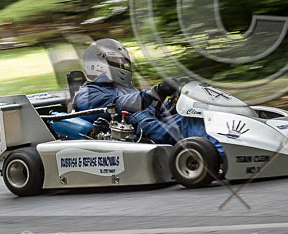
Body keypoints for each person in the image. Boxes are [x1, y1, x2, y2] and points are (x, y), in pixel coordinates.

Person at [73, 38, 224, 157]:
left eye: (123, 63)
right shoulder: (88, 93)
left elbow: (154, 109)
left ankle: (227, 150)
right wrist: (155, 92)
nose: (122, 66)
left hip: (152, 122)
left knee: (199, 115)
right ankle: (224, 155)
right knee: (189, 124)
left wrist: (173, 100)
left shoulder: (124, 89)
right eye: (117, 62)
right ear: (96, 64)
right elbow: (120, 104)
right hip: (137, 130)